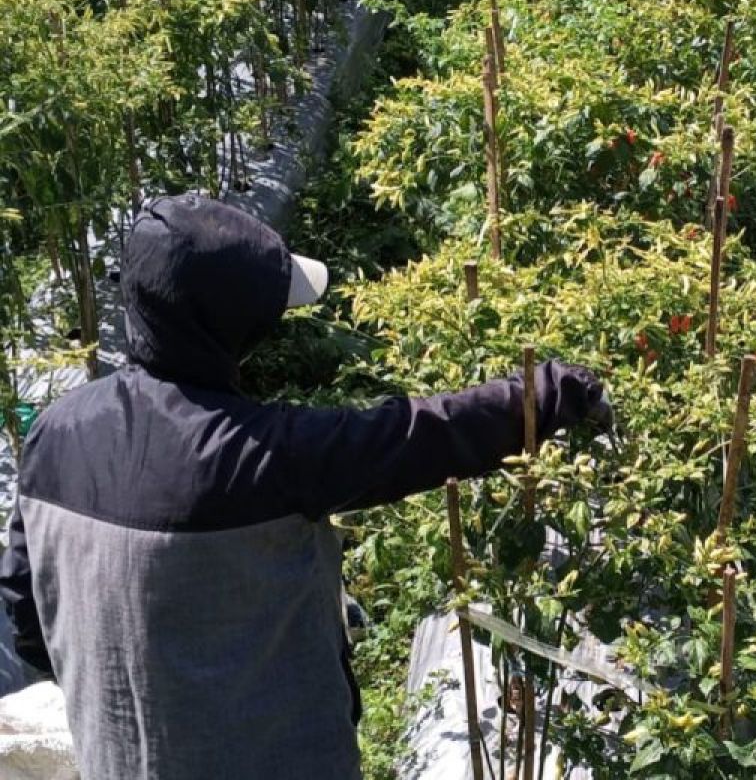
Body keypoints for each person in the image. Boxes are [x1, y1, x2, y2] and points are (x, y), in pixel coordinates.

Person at [0, 194, 610, 779]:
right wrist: (555, 391)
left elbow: (27, 615)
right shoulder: (262, 458)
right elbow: (423, 433)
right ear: (231, 329)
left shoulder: (55, 432)